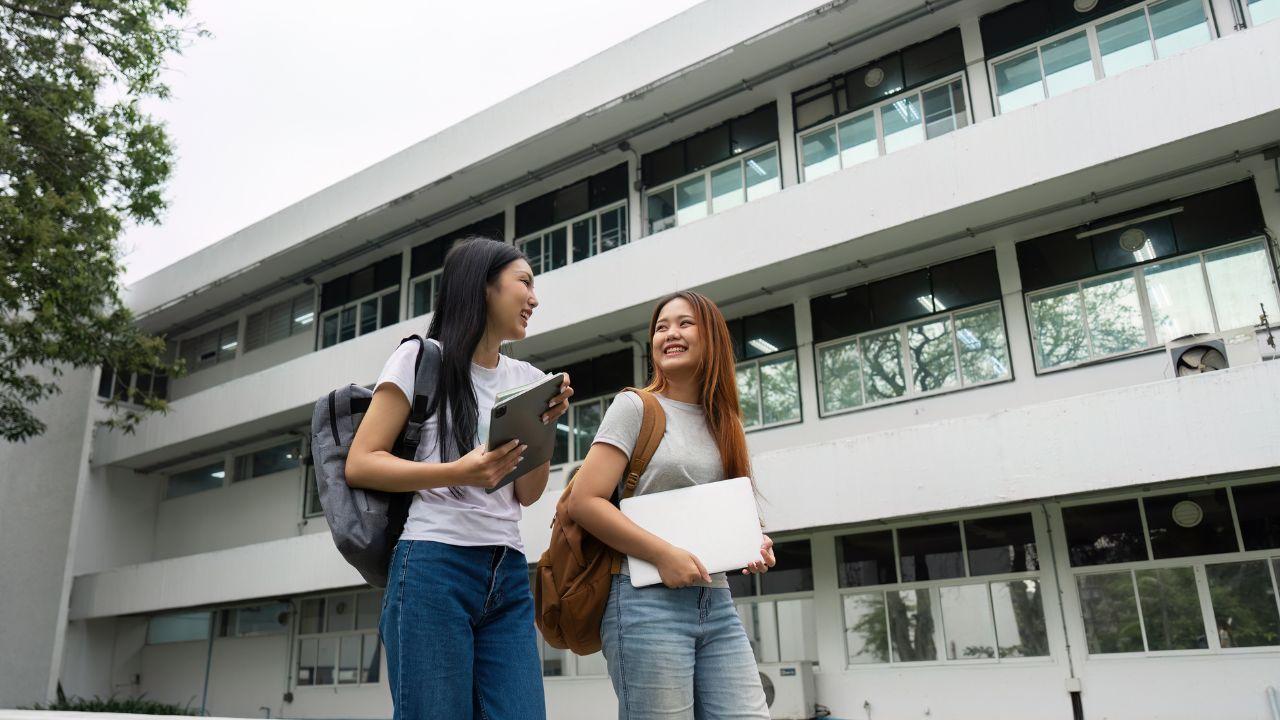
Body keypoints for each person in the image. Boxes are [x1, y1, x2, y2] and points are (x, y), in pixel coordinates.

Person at [346, 237, 573, 720]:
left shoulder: (527, 377)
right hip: (432, 566)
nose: (535, 298)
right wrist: (457, 471)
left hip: (508, 570)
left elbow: (528, 495)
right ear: (484, 287)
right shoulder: (420, 358)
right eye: (525, 283)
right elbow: (362, 462)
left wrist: (544, 423)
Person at [567, 290, 775, 720]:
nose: (670, 334)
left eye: (684, 323)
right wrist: (663, 554)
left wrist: (754, 542)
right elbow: (585, 502)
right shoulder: (635, 407)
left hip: (715, 600)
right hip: (644, 603)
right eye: (661, 327)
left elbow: (724, 507)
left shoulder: (725, 421)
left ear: (711, 337)